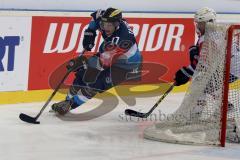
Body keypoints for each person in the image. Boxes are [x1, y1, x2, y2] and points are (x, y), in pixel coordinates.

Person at [51, 7, 142, 115]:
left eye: (109, 25)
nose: (105, 28)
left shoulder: (123, 39)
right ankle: (66, 101)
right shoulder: (105, 19)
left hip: (124, 66)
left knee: (95, 83)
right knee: (81, 74)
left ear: (117, 24)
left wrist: (82, 63)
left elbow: (103, 61)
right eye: (104, 24)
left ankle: (70, 105)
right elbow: (95, 18)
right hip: (109, 54)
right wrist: (90, 32)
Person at [174, 7, 239, 143]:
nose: (197, 25)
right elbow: (206, 58)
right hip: (230, 66)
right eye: (197, 22)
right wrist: (195, 52)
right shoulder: (214, 32)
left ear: (208, 22)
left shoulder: (210, 37)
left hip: (232, 68)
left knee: (202, 85)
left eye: (200, 23)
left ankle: (226, 118)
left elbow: (204, 64)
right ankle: (224, 108)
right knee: (206, 85)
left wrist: (185, 73)